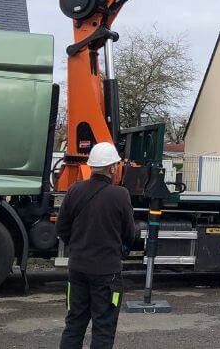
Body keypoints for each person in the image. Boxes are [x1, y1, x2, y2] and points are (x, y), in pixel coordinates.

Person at [57, 142, 136, 349]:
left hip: (78, 269)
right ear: (111, 168)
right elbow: (129, 234)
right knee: (103, 329)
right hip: (107, 274)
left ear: (92, 167)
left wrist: (77, 247)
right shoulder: (120, 195)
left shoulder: (74, 190)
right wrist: (120, 250)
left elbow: (62, 228)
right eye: (116, 166)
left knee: (74, 324)